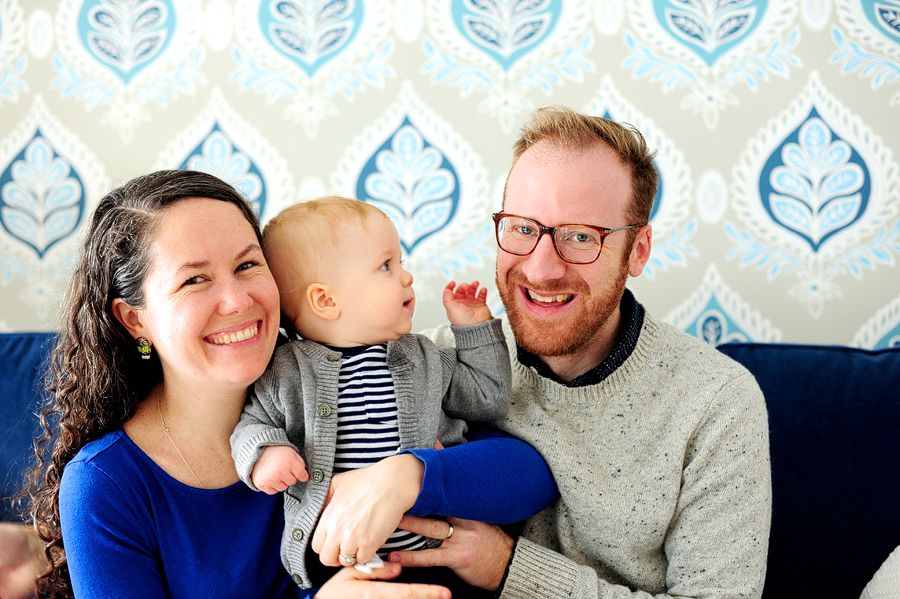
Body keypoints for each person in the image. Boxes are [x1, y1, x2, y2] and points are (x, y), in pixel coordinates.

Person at [17, 170, 556, 599]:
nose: (238, 300)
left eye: (248, 265)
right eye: (195, 279)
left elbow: (531, 472)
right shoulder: (107, 484)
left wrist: (405, 476)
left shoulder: (334, 382)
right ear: (135, 320)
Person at [314, 105, 772, 598]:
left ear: (637, 250)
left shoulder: (716, 402)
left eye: (580, 237)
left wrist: (505, 566)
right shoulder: (429, 365)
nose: (540, 269)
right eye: (523, 228)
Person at [230, 196, 512, 593]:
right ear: (326, 301)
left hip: (435, 552)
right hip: (338, 566)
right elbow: (251, 424)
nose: (406, 277)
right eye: (386, 265)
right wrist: (265, 453)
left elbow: (489, 398)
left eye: (399, 262)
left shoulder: (425, 357)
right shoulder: (286, 371)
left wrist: (475, 330)